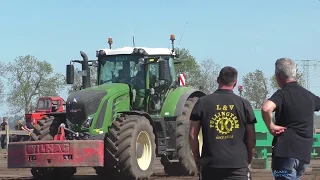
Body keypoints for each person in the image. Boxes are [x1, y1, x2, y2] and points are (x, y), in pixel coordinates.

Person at [189, 66, 256, 180]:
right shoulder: (244, 104)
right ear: (235, 83)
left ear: (217, 79)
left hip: (210, 165)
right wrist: (248, 160)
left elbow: (192, 135)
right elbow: (252, 138)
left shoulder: (202, 102)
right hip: (238, 165)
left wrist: (197, 159)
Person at [261, 58, 317, 179]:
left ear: (278, 76)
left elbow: (266, 108)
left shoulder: (282, 94)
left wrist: (271, 126)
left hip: (285, 154)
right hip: (303, 155)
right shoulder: (308, 95)